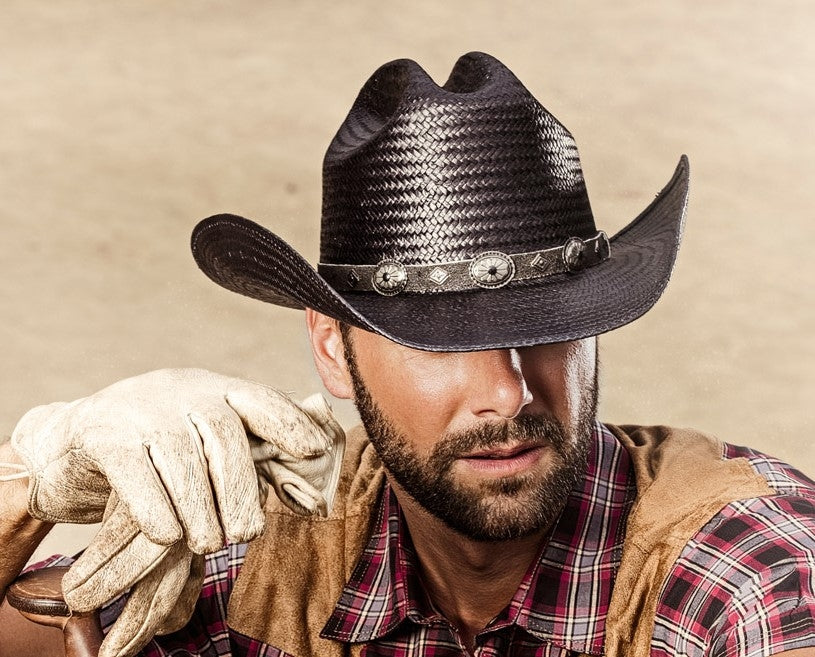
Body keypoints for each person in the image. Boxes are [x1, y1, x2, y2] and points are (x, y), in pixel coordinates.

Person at [1, 52, 814, 657]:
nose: (507, 392)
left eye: (546, 327)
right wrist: (35, 483)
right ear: (333, 348)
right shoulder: (280, 543)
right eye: (438, 342)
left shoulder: (743, 559)